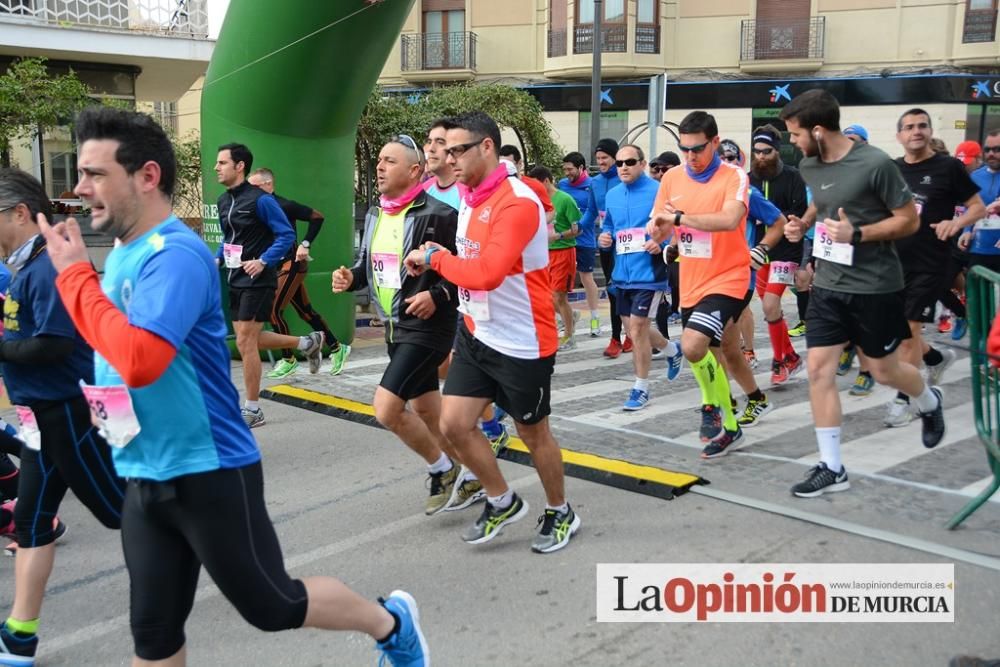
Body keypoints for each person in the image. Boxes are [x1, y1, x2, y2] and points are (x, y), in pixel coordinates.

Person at [39, 106, 428, 667]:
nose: (80, 187)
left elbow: (140, 359)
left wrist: (75, 277)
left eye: (96, 173)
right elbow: (109, 348)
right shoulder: (123, 252)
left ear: (147, 176)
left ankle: (391, 623)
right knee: (153, 636)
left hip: (208, 470)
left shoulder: (174, 254)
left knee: (272, 604)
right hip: (145, 472)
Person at [403, 111, 580, 553]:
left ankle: (561, 510)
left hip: (524, 340)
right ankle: (502, 500)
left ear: (487, 148)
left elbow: (486, 273)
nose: (448, 157)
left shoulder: (516, 202)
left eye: (457, 149)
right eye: (444, 149)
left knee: (532, 433)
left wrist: (434, 261)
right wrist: (440, 251)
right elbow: (471, 253)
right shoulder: (469, 193)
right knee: (455, 424)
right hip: (477, 331)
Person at [778, 89, 945, 497]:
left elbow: (907, 221)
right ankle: (831, 466)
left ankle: (927, 399)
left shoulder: (875, 164)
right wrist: (803, 222)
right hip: (829, 285)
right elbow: (825, 198)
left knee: (885, 370)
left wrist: (859, 233)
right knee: (819, 370)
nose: (793, 143)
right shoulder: (810, 164)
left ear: (818, 131)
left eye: (796, 135)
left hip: (875, 286)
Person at [0, 168, 122, 667]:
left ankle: (222, 553)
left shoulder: (47, 266)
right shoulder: (22, 268)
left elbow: (54, 344)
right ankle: (19, 639)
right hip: (38, 417)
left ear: (21, 213)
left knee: (125, 512)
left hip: (72, 412)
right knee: (30, 523)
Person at [332, 135, 464, 516]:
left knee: (387, 409)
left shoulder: (439, 214)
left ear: (414, 170)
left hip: (427, 327)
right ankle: (475, 472)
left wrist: (435, 296)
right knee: (427, 410)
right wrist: (350, 278)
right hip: (393, 327)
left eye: (390, 161)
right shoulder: (377, 213)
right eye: (379, 161)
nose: (380, 167)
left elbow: (463, 272)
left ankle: (443, 468)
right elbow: (369, 266)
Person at [646, 111, 751, 459]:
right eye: (685, 149)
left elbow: (730, 219)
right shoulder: (672, 177)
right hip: (690, 279)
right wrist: (657, 231)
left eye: (698, 148)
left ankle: (711, 405)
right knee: (719, 353)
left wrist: (678, 218)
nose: (691, 156)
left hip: (729, 277)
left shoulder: (734, 176)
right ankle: (730, 424)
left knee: (692, 346)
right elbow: (659, 225)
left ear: (715, 143)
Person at [884, 109, 983, 427]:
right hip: (893, 262)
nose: (917, 131)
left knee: (909, 331)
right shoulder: (891, 169)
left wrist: (957, 223)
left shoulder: (949, 167)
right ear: (899, 135)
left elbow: (977, 207)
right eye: (909, 127)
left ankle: (905, 399)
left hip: (930, 263)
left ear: (929, 131)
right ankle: (936, 357)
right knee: (898, 330)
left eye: (922, 125)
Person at [214, 143, 323, 428]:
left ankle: (253, 408)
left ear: (239, 166)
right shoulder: (223, 201)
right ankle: (307, 342)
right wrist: (216, 258)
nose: (217, 168)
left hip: (259, 279)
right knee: (248, 338)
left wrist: (263, 261)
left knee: (246, 341)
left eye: (222, 163)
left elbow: (286, 235)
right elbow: (229, 237)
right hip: (235, 277)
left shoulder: (260, 200)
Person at [598, 144, 683, 411]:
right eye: (620, 163)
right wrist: (605, 237)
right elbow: (610, 225)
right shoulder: (612, 195)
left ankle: (641, 388)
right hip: (622, 274)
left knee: (637, 328)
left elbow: (676, 225)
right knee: (637, 329)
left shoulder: (658, 192)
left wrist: (662, 243)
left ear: (642, 164)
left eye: (630, 162)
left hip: (649, 272)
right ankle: (672, 350)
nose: (623, 167)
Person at [247, 168, 350, 379]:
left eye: (254, 187)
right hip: (276, 267)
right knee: (305, 312)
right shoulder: (256, 210)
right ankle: (338, 348)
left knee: (274, 310)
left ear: (268, 186)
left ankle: (288, 360)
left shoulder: (284, 205)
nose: (250, 192)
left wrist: (305, 243)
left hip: (292, 264)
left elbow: (317, 217)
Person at [748, 125, 808, 385]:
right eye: (757, 151)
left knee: (771, 304)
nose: (761, 156)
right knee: (771, 309)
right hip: (760, 251)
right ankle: (791, 356)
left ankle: (779, 359)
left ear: (777, 150)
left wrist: (773, 218)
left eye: (767, 151)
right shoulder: (748, 178)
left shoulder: (794, 177)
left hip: (786, 250)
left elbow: (798, 214)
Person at [580, 138, 630, 358]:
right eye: (598, 158)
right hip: (607, 243)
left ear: (614, 158)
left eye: (604, 158)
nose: (600, 162)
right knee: (611, 292)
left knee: (625, 291)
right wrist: (577, 227)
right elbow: (592, 212)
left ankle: (631, 334)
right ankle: (615, 338)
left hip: (628, 244)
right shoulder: (595, 182)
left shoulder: (625, 180)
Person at [530, 165, 582, 351]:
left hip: (563, 252)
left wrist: (558, 236)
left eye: (536, 185)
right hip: (543, 254)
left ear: (546, 181)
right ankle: (569, 315)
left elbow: (577, 229)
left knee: (558, 296)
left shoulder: (565, 199)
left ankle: (569, 335)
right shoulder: (536, 201)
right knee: (545, 297)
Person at [558, 151, 601, 336]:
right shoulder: (562, 185)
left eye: (570, 169)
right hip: (565, 241)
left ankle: (595, 319)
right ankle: (565, 317)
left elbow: (596, 212)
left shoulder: (592, 185)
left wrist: (581, 225)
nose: (567, 173)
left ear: (581, 168)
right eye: (565, 169)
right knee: (559, 283)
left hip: (585, 239)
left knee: (586, 278)